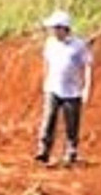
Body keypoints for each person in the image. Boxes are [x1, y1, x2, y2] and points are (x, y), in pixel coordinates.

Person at [35, 10, 93, 166]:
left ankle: (71, 151)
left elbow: (87, 65)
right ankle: (43, 150)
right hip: (52, 88)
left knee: (72, 123)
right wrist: (45, 81)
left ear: (64, 28)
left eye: (56, 28)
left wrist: (86, 87)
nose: (53, 31)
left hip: (72, 91)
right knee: (49, 119)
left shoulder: (78, 45)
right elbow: (46, 63)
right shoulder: (50, 43)